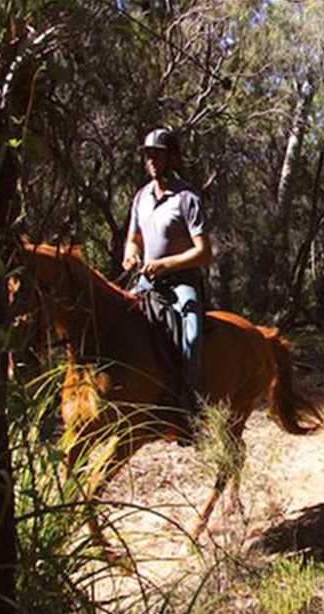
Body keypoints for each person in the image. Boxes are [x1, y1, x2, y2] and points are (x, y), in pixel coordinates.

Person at [122, 127, 213, 409]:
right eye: (148, 155)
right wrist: (131, 257)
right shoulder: (141, 197)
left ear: (172, 158)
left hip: (180, 283)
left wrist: (164, 264)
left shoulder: (187, 198)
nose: (151, 160)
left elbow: (203, 252)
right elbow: (133, 241)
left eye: (157, 155)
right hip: (145, 282)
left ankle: (192, 406)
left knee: (193, 336)